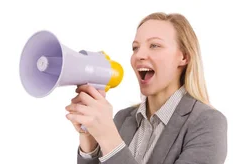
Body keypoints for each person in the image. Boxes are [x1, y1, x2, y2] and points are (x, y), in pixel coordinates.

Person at [65, 12, 228, 164]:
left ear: (184, 57)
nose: (139, 55)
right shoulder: (122, 118)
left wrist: (109, 138)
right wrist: (89, 140)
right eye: (135, 47)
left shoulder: (208, 122)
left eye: (155, 45)